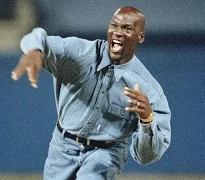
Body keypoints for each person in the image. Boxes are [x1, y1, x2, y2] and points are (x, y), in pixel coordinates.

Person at [11, 6, 171, 180]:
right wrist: (35, 50)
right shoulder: (80, 53)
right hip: (63, 147)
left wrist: (147, 120)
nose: (117, 32)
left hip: (106, 153)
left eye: (126, 28)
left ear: (140, 37)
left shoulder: (147, 89)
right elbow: (38, 37)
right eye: (114, 26)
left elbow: (145, 156)